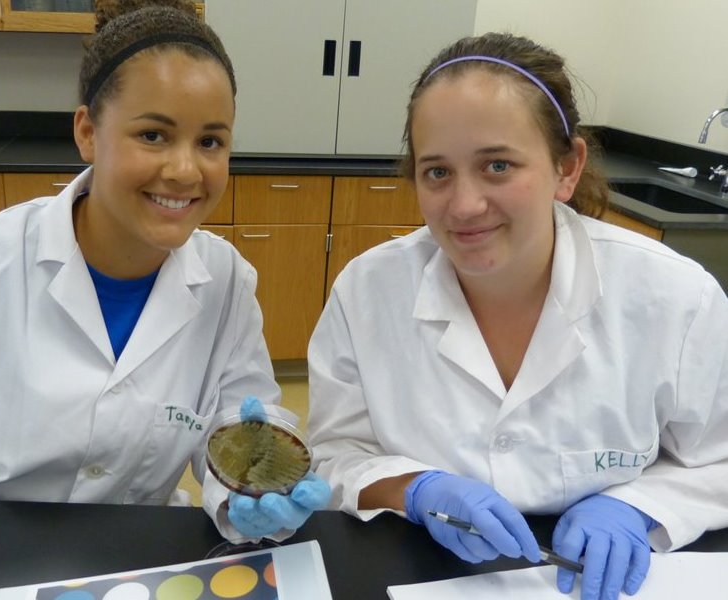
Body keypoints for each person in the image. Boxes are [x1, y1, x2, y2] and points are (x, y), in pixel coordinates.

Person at [0, 0, 328, 593]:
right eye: (153, 134)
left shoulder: (227, 279)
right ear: (87, 131)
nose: (186, 171)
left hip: (132, 561)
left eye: (211, 141)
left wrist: (248, 494)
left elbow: (240, 418)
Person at [307, 32, 728, 600]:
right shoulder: (368, 290)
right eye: (437, 172)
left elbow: (720, 459)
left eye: (498, 165)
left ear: (567, 168)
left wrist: (635, 506)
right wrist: (414, 488)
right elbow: (334, 455)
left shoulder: (674, 297)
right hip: (416, 569)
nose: (463, 205)